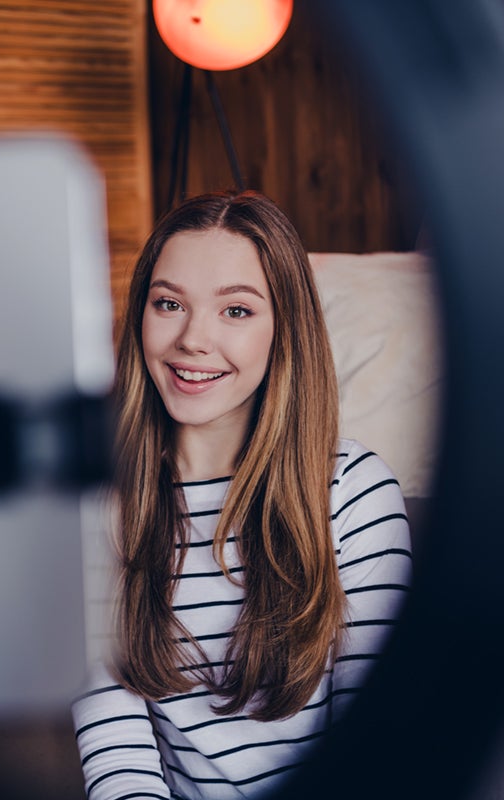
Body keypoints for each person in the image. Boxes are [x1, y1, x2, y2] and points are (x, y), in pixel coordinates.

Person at [73, 191, 412, 799]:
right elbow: (118, 756)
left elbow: (381, 740)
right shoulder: (96, 510)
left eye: (236, 311)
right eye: (169, 303)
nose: (193, 340)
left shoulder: (354, 492)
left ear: (285, 329)